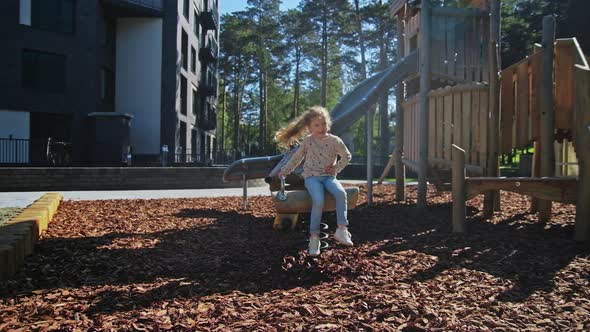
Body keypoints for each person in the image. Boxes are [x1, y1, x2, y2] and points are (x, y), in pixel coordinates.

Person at [276, 106, 353, 256]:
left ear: (328, 124)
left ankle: (342, 229)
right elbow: (296, 158)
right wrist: (284, 171)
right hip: (312, 178)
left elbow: (347, 156)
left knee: (340, 193)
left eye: (324, 124)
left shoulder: (334, 141)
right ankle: (314, 238)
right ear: (309, 128)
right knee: (318, 200)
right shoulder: (308, 141)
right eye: (317, 125)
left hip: (329, 177)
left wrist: (336, 167)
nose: (321, 127)